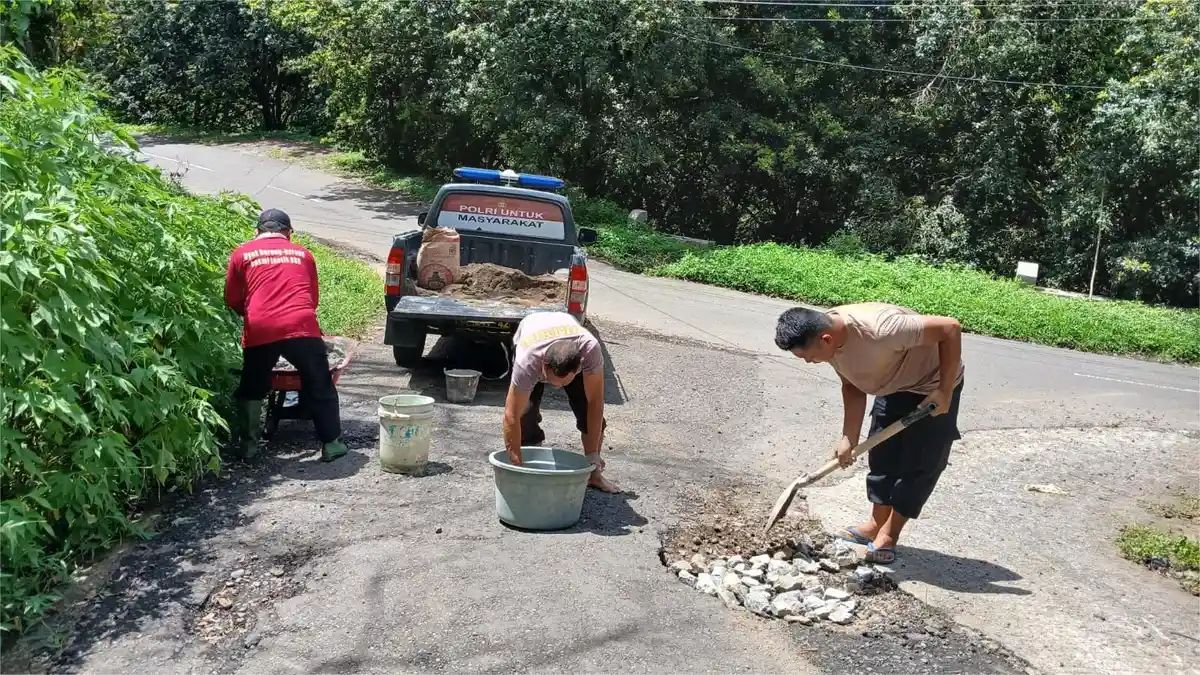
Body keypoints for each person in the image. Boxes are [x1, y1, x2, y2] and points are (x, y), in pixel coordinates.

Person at [774, 303, 964, 563]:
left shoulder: (882, 329)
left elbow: (950, 327)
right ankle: (875, 524)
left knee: (922, 462)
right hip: (892, 385)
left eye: (808, 356)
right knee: (883, 457)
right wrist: (848, 438)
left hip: (931, 384)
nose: (809, 362)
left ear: (826, 339)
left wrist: (944, 390)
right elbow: (852, 386)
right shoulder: (828, 340)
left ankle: (890, 534)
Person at [224, 209, 348, 462]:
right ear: (288, 232)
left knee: (253, 386)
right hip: (300, 324)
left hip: (260, 325)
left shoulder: (242, 253)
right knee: (319, 383)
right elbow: (312, 299)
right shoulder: (303, 254)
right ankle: (332, 444)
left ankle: (249, 447)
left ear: (257, 231)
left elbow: (233, 298)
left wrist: (252, 316)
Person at [502, 311, 618, 493]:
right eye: (553, 381)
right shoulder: (528, 361)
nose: (557, 388)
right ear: (544, 366)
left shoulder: (590, 350)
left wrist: (594, 453)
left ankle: (594, 476)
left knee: (589, 413)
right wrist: (514, 464)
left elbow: (595, 402)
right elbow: (511, 415)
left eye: (565, 383)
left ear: (578, 366)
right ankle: (526, 468)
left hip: (567, 334)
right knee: (525, 415)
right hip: (532, 331)